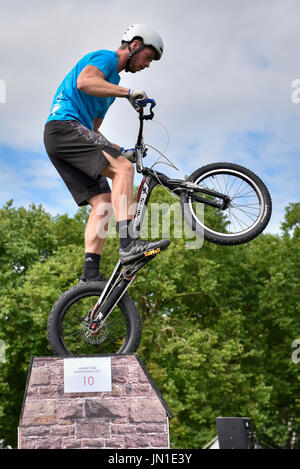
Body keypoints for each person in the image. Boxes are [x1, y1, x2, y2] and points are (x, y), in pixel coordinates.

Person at [44, 24, 170, 283]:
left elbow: (94, 131)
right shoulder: (106, 58)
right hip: (64, 127)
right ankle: (129, 244)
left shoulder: (112, 85)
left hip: (64, 137)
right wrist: (128, 94)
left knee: (102, 203)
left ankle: (90, 275)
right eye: (148, 57)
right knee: (122, 169)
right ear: (135, 44)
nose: (147, 65)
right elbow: (85, 81)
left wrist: (120, 150)